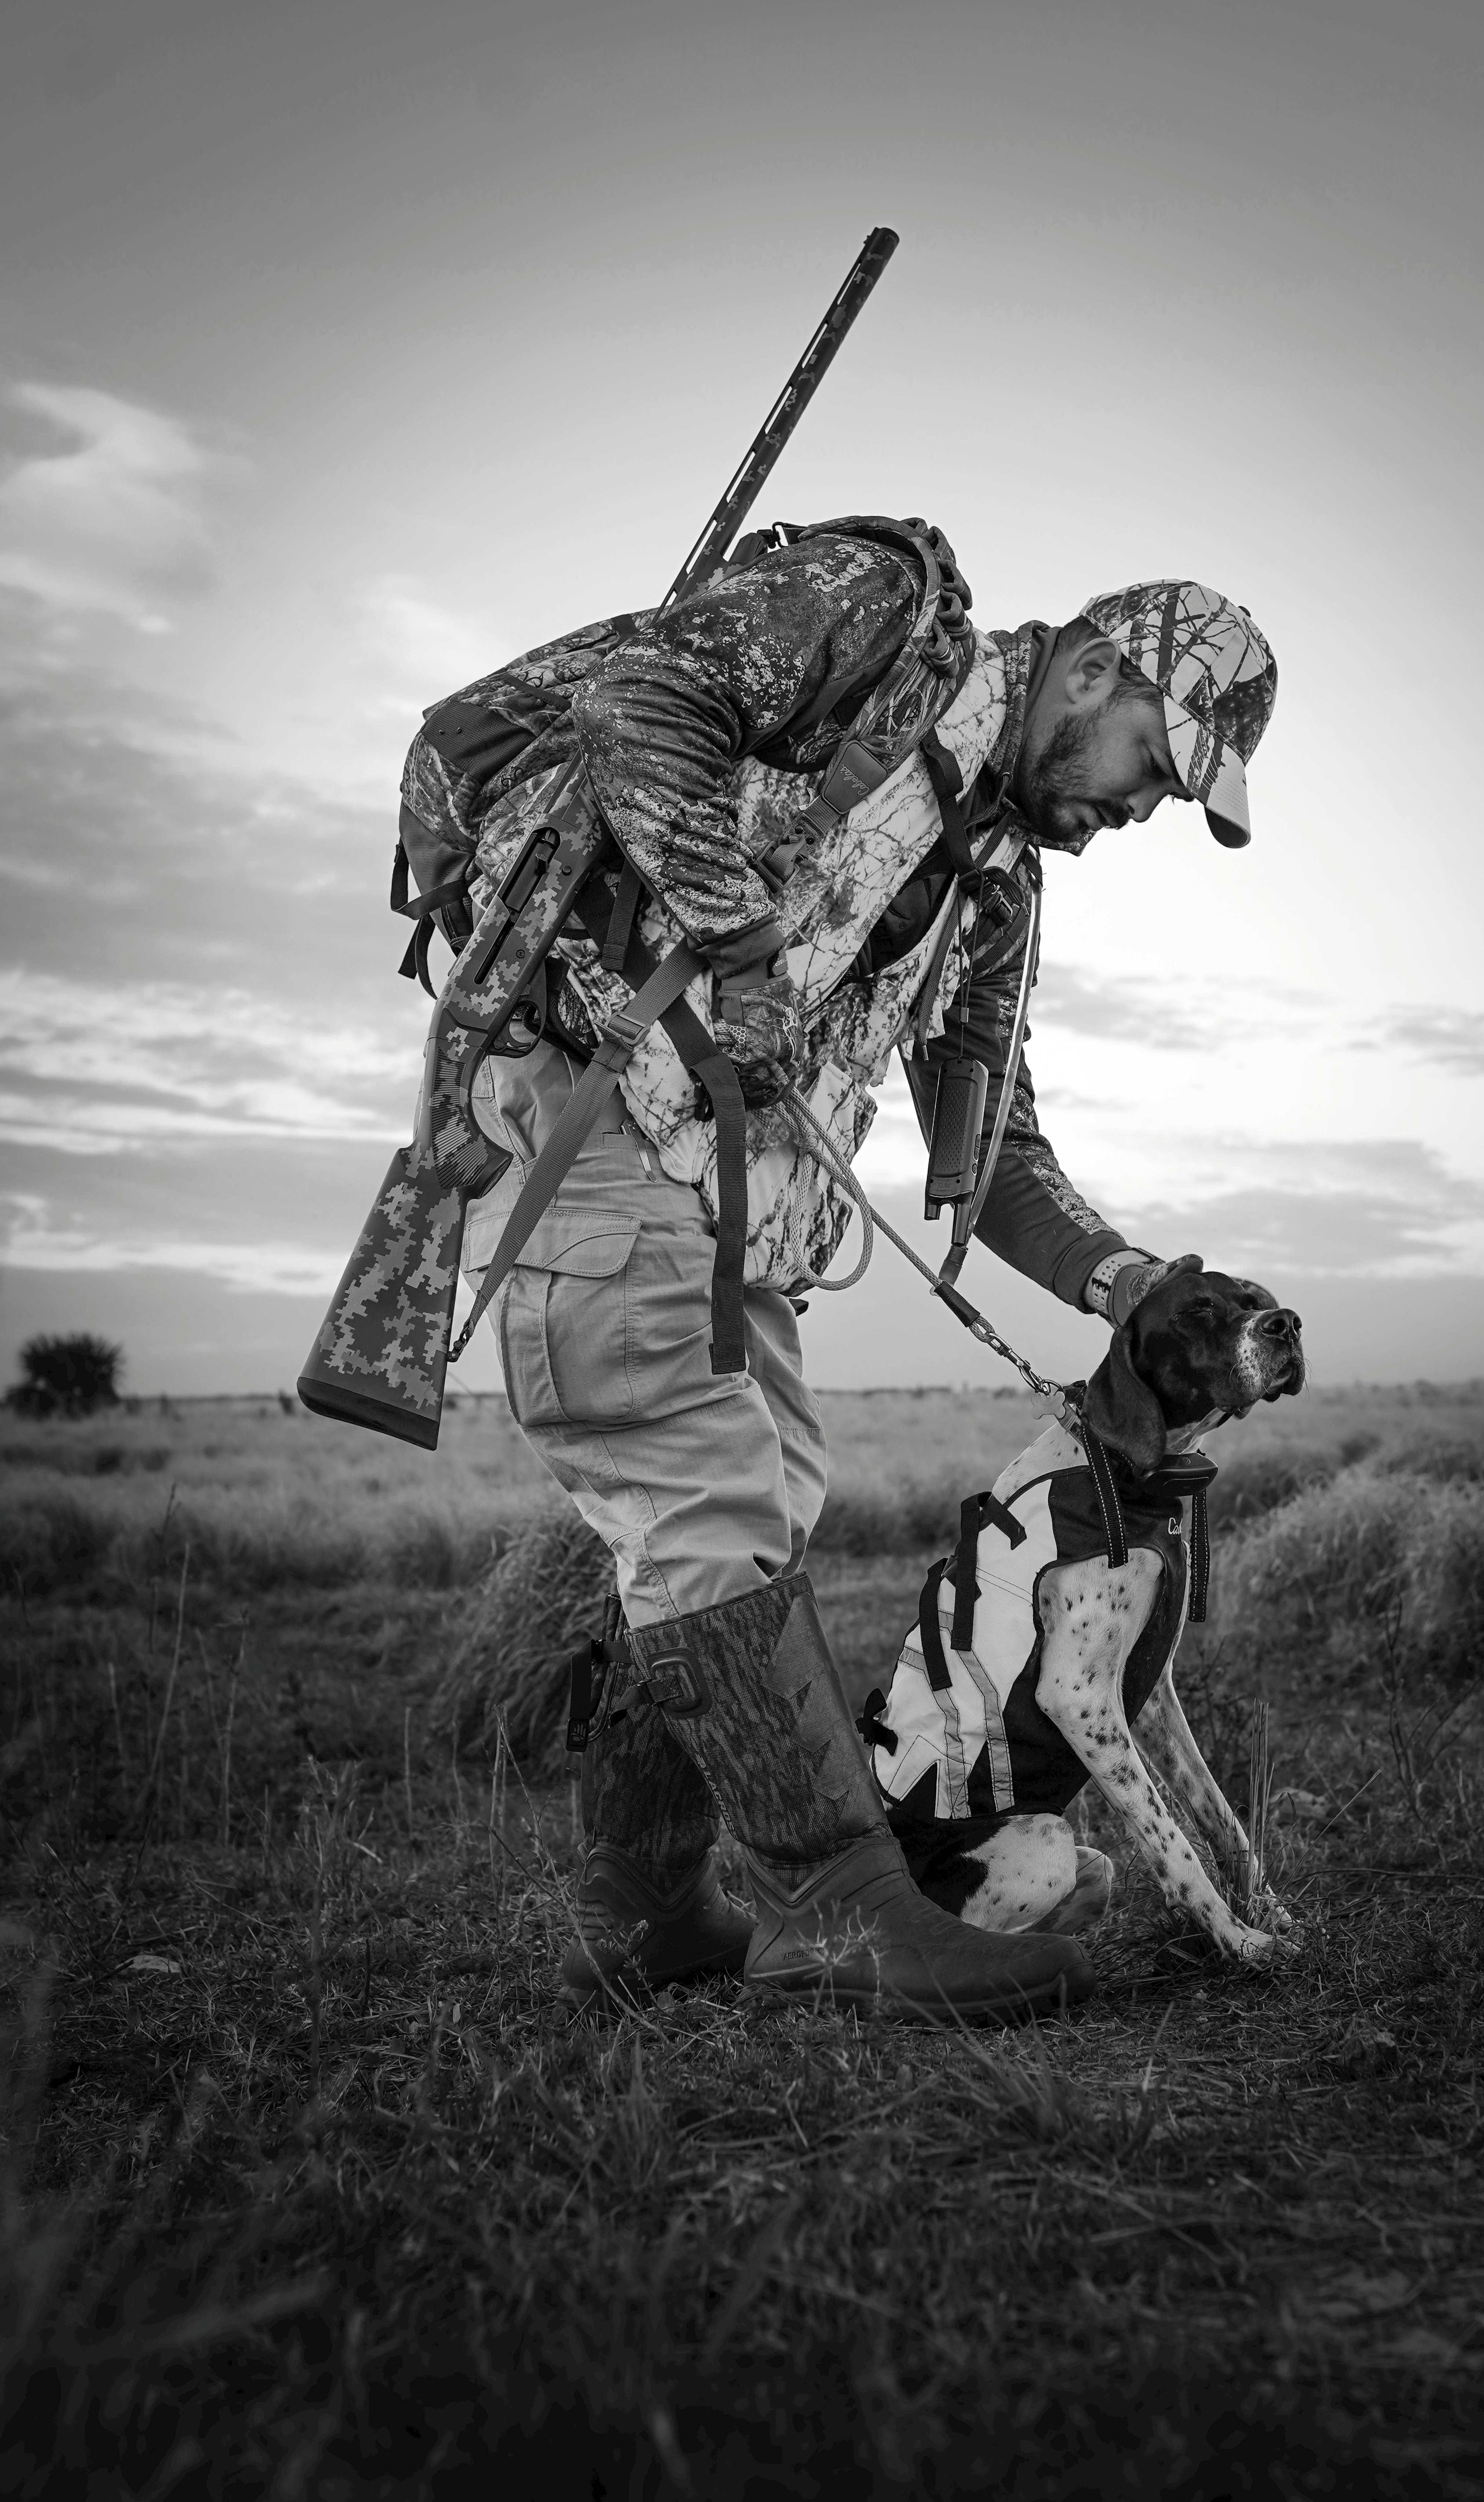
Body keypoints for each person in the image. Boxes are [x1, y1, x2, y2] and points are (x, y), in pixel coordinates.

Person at [438, 523, 1278, 2022]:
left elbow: (1000, 1149)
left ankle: (656, 1916)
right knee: (708, 1501)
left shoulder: (1001, 888)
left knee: (757, 1507)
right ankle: (851, 1911)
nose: (1143, 809)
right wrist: (741, 943)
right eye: (1156, 762)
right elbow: (639, 703)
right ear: (1093, 671)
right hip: (598, 1103)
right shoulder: (877, 611)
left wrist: (1123, 1276)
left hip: (739, 1209)